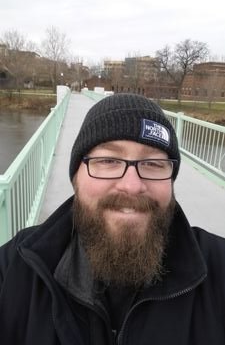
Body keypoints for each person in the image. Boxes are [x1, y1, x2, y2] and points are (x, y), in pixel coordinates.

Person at [0, 93, 225, 345]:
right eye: (108, 161)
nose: (132, 186)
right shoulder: (14, 269)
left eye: (152, 163)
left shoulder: (219, 269)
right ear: (76, 177)